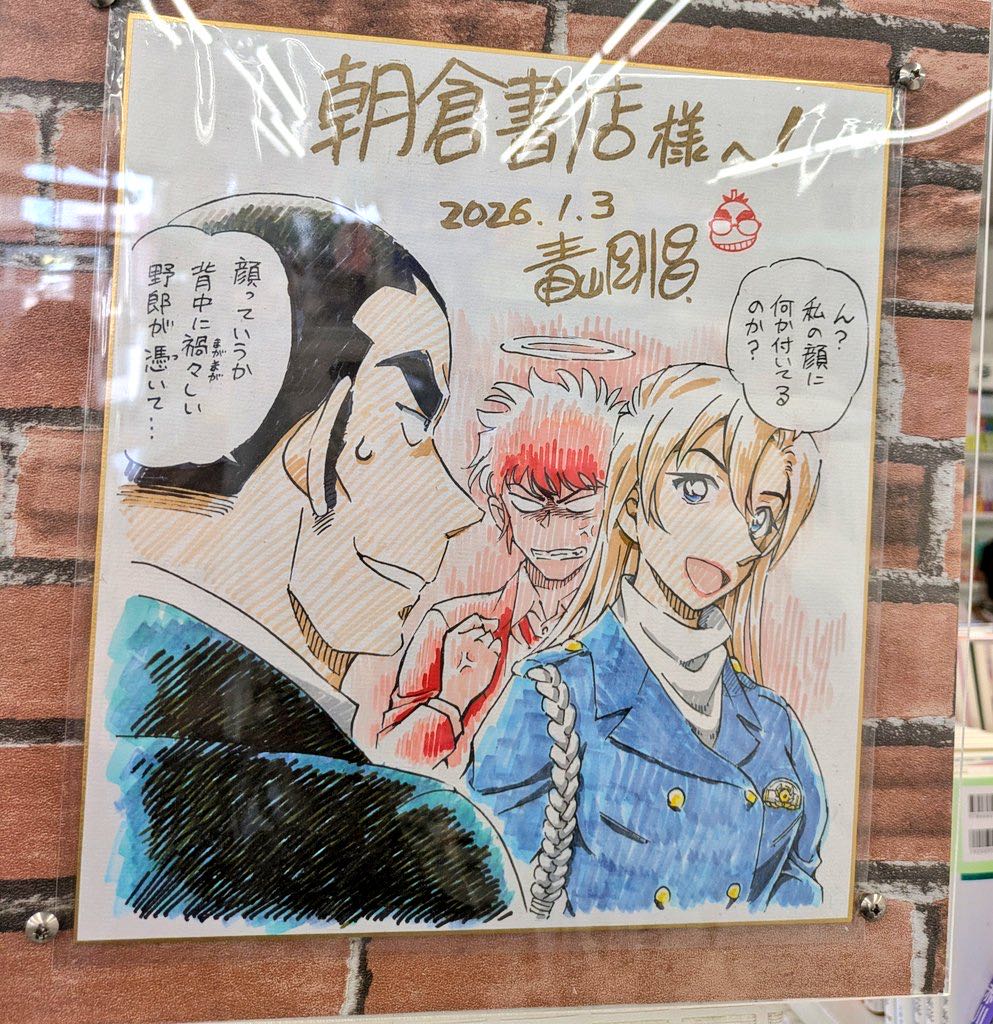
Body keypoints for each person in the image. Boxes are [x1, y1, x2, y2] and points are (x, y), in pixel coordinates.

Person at [106, 193, 516, 928]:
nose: (462, 508)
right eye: (412, 423)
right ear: (318, 446)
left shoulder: (104, 734)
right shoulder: (409, 844)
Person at [467, 363, 827, 917]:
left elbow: (803, 891)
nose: (730, 534)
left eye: (760, 516)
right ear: (632, 508)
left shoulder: (775, 725)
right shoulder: (553, 700)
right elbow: (488, 902)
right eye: (695, 490)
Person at [376, 370, 621, 774]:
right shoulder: (451, 625)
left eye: (580, 506)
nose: (556, 529)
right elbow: (386, 765)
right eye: (531, 506)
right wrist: (452, 700)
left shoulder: (624, 633)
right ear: (499, 508)